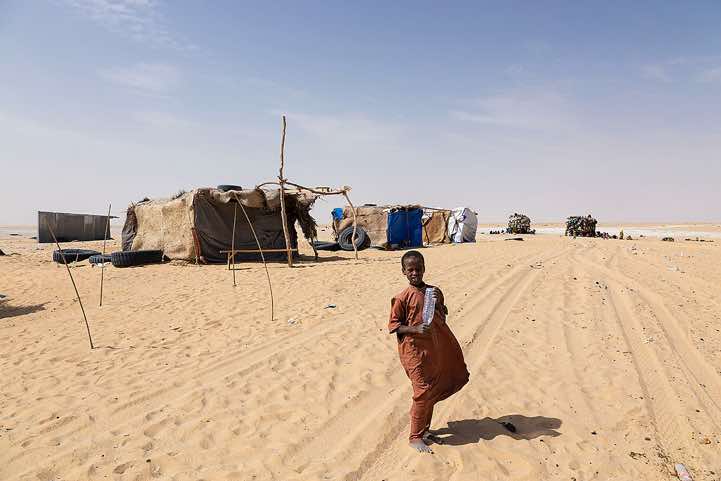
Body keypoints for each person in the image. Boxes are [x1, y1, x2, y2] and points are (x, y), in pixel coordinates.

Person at [388, 250, 470, 453]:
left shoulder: (434, 292)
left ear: (424, 269)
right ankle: (415, 437)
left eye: (418, 269)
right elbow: (394, 326)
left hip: (433, 349)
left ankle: (424, 430)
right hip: (413, 352)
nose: (415, 273)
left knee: (432, 388)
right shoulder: (401, 298)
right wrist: (414, 329)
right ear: (404, 272)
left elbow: (441, 314)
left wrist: (441, 310)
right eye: (410, 270)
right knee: (422, 391)